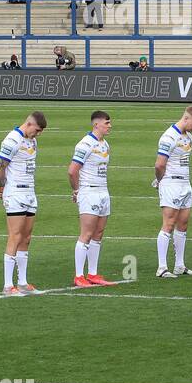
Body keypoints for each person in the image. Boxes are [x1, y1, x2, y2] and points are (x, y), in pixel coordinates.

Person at [0, 111, 47, 294]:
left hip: (30, 192)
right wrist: (2, 189)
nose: (38, 134)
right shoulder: (12, 140)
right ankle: (8, 285)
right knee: (15, 236)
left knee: (26, 238)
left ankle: (23, 283)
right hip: (15, 192)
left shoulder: (32, 140)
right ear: (29, 124)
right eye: (37, 130)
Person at [153, 106, 192, 278]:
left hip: (185, 184)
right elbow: (160, 164)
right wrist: (160, 181)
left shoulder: (188, 137)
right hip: (171, 183)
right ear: (187, 118)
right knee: (168, 223)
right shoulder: (168, 137)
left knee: (183, 224)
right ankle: (161, 267)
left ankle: (180, 266)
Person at [69, 110, 114, 287]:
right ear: (96, 124)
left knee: (98, 234)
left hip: (103, 191)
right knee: (86, 234)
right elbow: (72, 170)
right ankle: (79, 275)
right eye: (107, 123)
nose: (110, 126)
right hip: (89, 192)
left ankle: (93, 273)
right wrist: (77, 190)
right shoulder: (85, 144)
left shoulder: (105, 144)